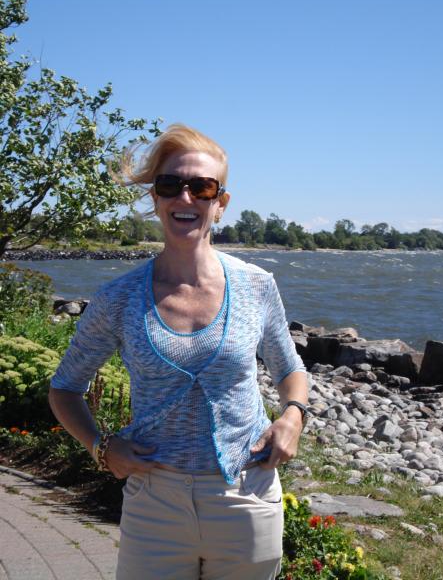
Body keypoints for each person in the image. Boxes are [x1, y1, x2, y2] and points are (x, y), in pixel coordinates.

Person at [48, 124, 309, 580]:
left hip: (247, 495)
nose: (185, 198)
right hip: (154, 502)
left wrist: (293, 417)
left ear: (221, 203)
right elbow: (65, 388)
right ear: (155, 198)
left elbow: (290, 369)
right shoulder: (119, 298)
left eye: (202, 187)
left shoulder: (256, 285)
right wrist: (101, 447)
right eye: (170, 185)